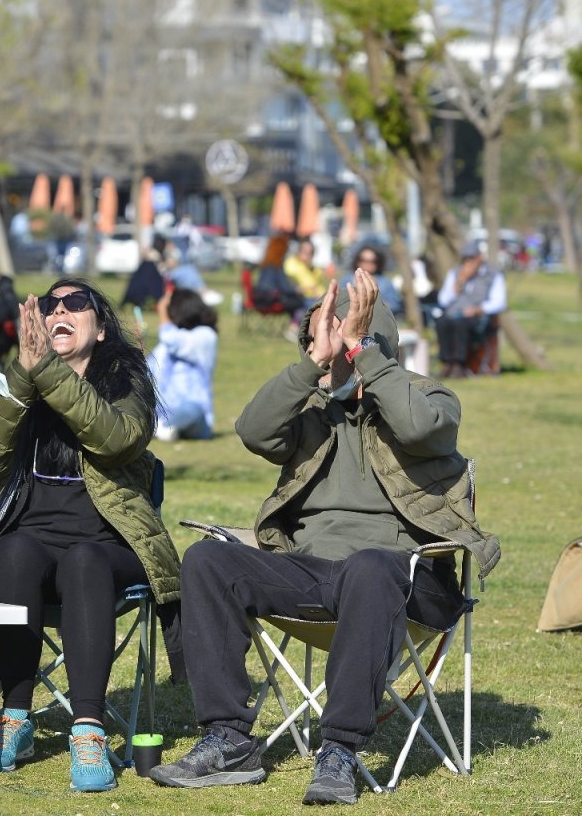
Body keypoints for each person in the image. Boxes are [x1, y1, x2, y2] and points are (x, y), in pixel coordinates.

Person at [151, 269, 500, 805]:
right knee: (207, 562)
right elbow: (253, 432)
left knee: (369, 565)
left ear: (370, 344)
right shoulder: (310, 406)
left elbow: (417, 430)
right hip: (314, 573)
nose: (329, 351)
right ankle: (228, 740)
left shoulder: (431, 396)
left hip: (409, 577)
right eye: (319, 341)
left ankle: (338, 748)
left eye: (340, 340)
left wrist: (365, 355)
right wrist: (310, 363)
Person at [0, 277, 183, 793]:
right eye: (49, 305)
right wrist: (24, 381)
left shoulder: (126, 378)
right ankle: (16, 717)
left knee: (85, 563)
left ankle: (89, 728)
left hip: (110, 544)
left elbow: (115, 438)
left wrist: (45, 370)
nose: (59, 311)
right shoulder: (25, 372)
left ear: (98, 328)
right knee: (11, 553)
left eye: (75, 304)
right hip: (31, 538)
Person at [148, 287, 217, 442]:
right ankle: (162, 426)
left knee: (190, 409)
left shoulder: (205, 336)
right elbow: (148, 372)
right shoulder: (166, 343)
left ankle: (162, 427)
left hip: (194, 415)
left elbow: (173, 341)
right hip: (161, 409)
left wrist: (163, 313)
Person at [435, 242, 506, 379]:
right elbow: (443, 300)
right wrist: (460, 282)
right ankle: (446, 362)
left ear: (479, 258)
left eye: (471, 259)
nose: (468, 263)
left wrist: (479, 309)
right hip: (452, 314)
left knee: (460, 323)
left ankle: (459, 364)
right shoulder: (455, 273)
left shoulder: (493, 275)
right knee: (442, 322)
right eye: (465, 259)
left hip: (476, 317)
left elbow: (499, 302)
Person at [254, 234, 307, 334]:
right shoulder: (276, 266)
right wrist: (298, 289)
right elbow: (285, 288)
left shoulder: (266, 264)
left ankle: (294, 326)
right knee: (300, 301)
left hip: (260, 299)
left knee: (294, 300)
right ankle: (294, 327)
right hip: (270, 301)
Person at [341, 245, 403, 316]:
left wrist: (376, 303)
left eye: (372, 261)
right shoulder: (347, 280)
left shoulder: (385, 283)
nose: (368, 264)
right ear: (358, 261)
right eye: (363, 260)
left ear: (378, 263)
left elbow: (394, 306)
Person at [284, 237, 327, 303]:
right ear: (299, 252)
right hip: (299, 299)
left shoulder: (315, 270)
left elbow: (319, 287)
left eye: (311, 253)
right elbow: (291, 287)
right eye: (305, 252)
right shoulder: (291, 264)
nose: (308, 256)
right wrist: (308, 289)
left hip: (315, 298)